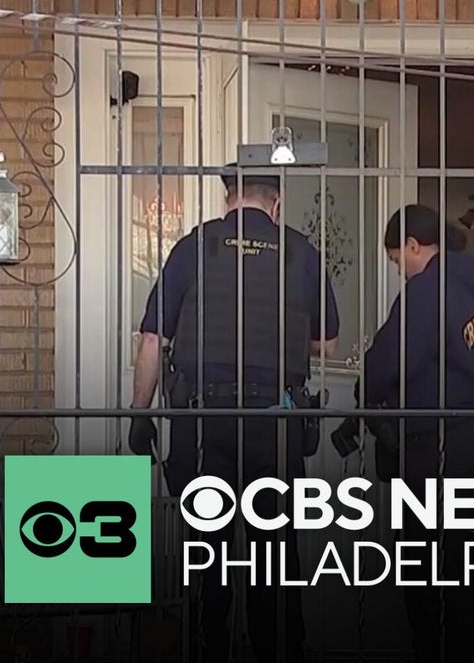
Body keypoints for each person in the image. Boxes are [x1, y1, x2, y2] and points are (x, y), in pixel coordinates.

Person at [128, 164, 339, 663]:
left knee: (209, 549)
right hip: (275, 423)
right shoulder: (300, 251)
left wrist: (140, 412)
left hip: (205, 423)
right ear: (276, 203)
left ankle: (207, 644)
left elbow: (154, 338)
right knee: (274, 551)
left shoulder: (194, 246)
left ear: (228, 199)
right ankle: (278, 648)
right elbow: (327, 342)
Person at [332, 204, 474, 663]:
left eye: (397, 260)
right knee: (461, 565)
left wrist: (365, 395)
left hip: (433, 448)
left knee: (421, 566)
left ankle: (431, 650)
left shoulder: (428, 290)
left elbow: (387, 362)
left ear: (414, 245)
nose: (399, 271)